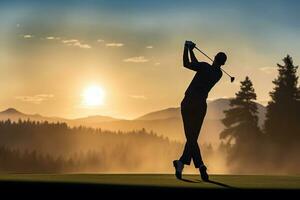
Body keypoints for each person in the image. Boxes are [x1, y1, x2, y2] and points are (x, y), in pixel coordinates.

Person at [173, 41, 227, 181]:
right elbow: (197, 65)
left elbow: (187, 64)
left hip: (188, 103)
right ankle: (183, 163)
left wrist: (187, 48)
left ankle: (198, 165)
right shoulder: (218, 74)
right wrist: (191, 51)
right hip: (201, 105)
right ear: (223, 63)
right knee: (192, 137)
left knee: (191, 137)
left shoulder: (204, 67)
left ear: (214, 57)